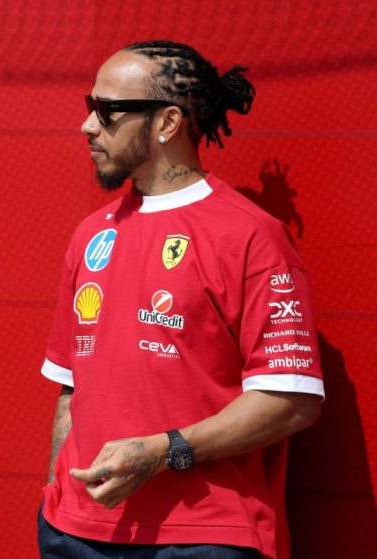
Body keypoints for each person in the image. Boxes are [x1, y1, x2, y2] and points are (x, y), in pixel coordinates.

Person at [38, 40, 323, 559]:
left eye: (106, 110)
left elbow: (291, 402)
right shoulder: (91, 234)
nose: (88, 125)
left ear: (167, 122)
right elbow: (70, 384)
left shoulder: (253, 237)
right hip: (73, 534)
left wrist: (163, 452)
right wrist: (58, 492)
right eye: (89, 106)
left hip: (201, 538)